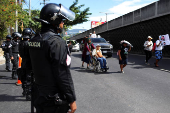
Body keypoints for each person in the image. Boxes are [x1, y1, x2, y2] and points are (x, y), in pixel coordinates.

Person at [29, 3, 77, 113]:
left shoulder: (34, 40)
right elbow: (62, 73)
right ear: (54, 20)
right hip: (53, 98)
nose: (63, 23)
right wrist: (71, 99)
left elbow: (29, 67)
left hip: (39, 93)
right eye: (61, 20)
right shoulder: (56, 42)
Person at [19, 28, 34, 100]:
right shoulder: (30, 43)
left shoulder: (20, 43)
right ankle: (29, 94)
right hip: (30, 62)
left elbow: (21, 54)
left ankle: (24, 91)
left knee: (24, 76)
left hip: (24, 61)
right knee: (29, 78)